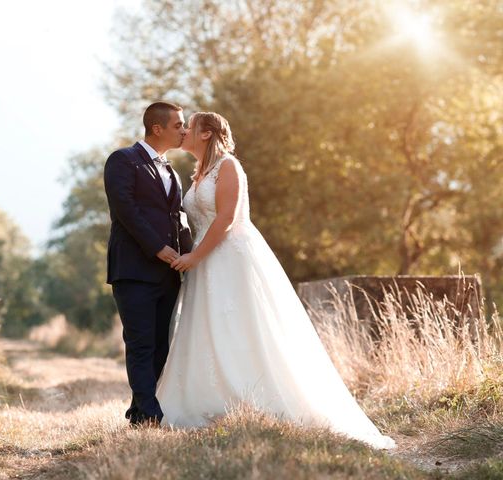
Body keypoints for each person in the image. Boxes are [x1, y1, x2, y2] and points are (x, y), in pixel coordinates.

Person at [156, 111, 395, 449]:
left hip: (229, 256)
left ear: (206, 134)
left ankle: (258, 400)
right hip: (205, 262)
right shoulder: (198, 173)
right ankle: (212, 401)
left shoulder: (228, 166)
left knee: (244, 327)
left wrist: (195, 256)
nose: (183, 132)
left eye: (189, 127)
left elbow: (225, 218)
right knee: (209, 328)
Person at [103, 102, 193, 426]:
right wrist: (158, 248)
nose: (185, 131)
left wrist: (191, 257)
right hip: (134, 270)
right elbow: (125, 210)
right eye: (179, 125)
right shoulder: (123, 160)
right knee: (140, 343)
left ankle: (139, 413)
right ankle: (153, 415)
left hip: (169, 273)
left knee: (160, 347)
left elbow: (178, 218)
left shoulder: (171, 170)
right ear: (158, 128)